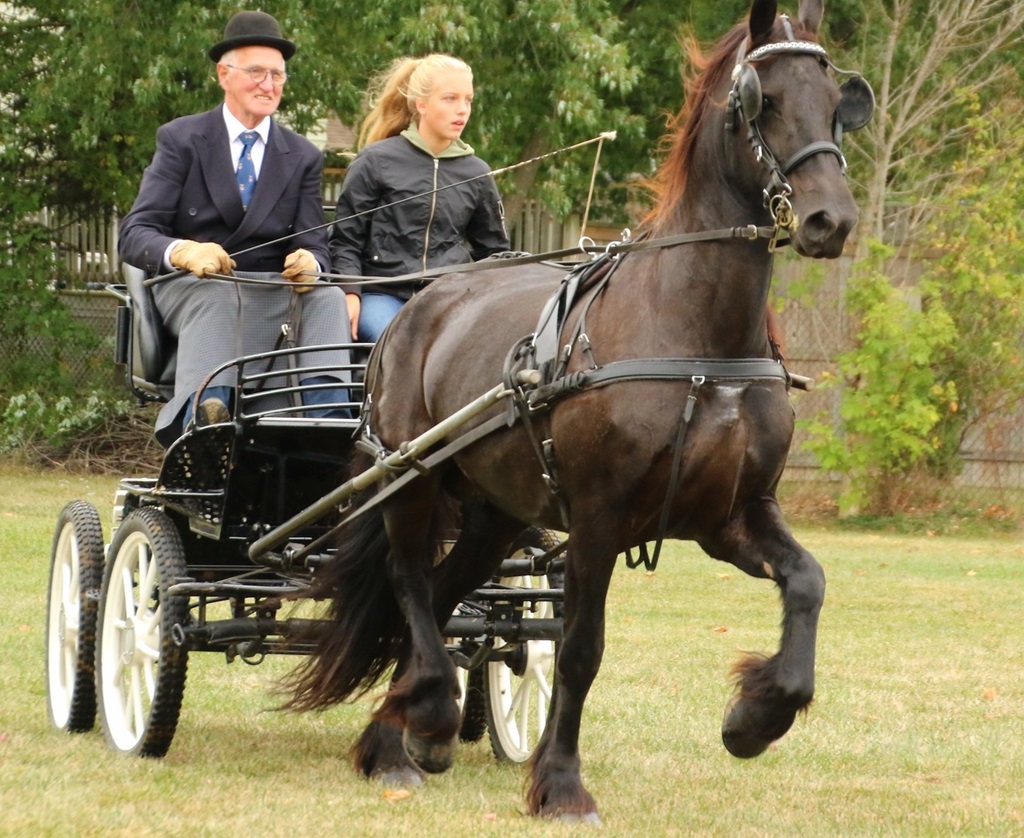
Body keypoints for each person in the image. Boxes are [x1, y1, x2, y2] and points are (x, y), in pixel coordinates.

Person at [118, 10, 350, 446]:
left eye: (278, 75)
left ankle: (328, 424)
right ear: (224, 74)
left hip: (270, 290)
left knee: (328, 297)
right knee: (219, 293)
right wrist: (185, 251)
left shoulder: (301, 155)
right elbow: (135, 232)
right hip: (193, 288)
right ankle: (208, 420)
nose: (269, 84)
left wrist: (311, 263)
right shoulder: (181, 139)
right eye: (257, 72)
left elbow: (315, 243)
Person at [330, 54, 510, 342]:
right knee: (400, 345)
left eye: (468, 100)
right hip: (382, 294)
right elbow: (345, 241)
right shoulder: (375, 161)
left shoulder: (477, 173)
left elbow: (494, 252)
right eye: (450, 99)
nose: (462, 110)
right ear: (421, 104)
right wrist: (350, 293)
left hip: (449, 298)